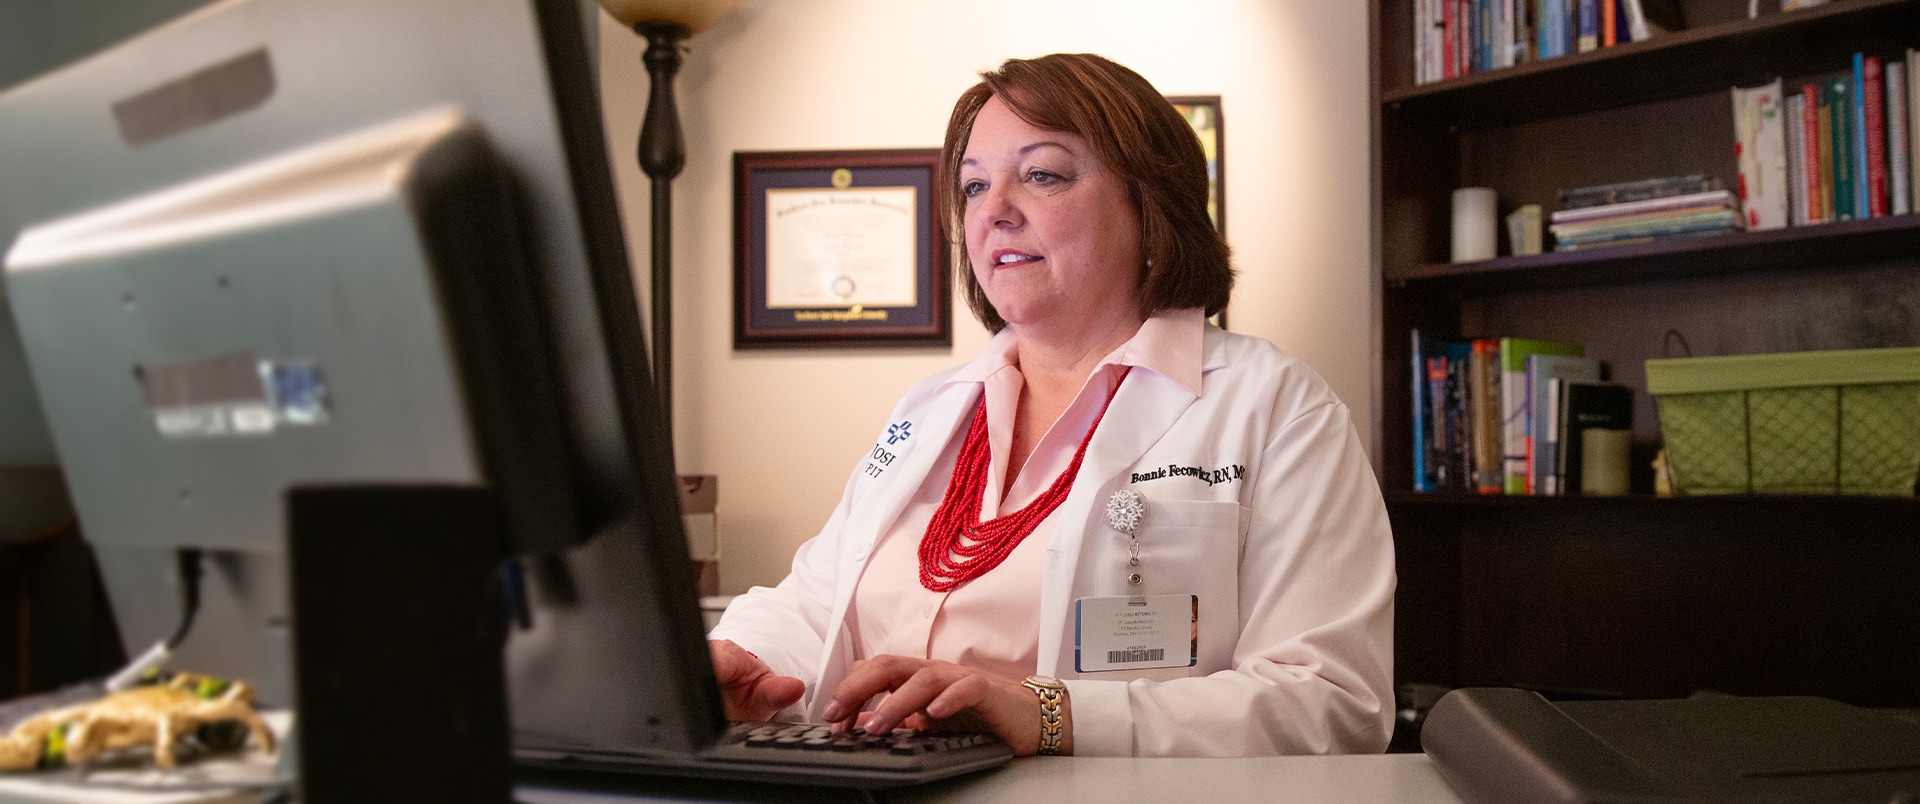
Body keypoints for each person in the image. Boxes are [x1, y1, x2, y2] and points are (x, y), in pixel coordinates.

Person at [707, 53, 1395, 758]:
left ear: (1150, 204)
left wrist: (1050, 715)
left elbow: (1331, 702)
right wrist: (740, 658)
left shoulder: (1275, 407)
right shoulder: (931, 409)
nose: (994, 210)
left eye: (1042, 175)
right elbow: (821, 601)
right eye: (974, 187)